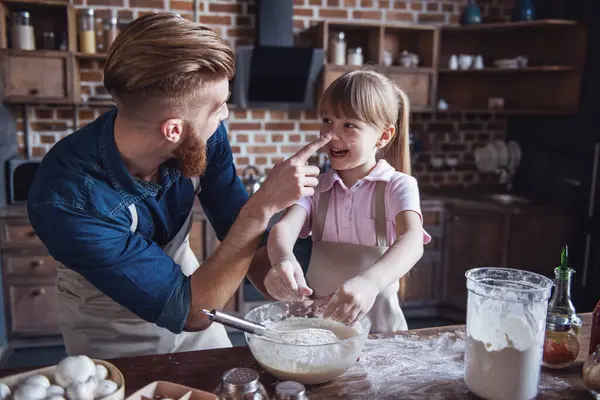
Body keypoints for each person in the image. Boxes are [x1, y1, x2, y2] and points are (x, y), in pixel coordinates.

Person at [27, 13, 329, 359]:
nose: (225, 115)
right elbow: (189, 311)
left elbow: (237, 225)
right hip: (111, 326)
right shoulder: (68, 200)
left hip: (196, 290)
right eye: (219, 107)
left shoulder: (201, 133)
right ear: (174, 130)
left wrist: (286, 290)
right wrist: (264, 207)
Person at [264, 70, 431, 333]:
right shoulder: (316, 187)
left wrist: (370, 284)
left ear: (384, 136)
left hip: (378, 328)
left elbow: (412, 241)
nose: (331, 134)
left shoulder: (397, 186)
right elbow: (282, 229)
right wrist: (283, 260)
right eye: (328, 120)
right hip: (321, 326)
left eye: (349, 125)